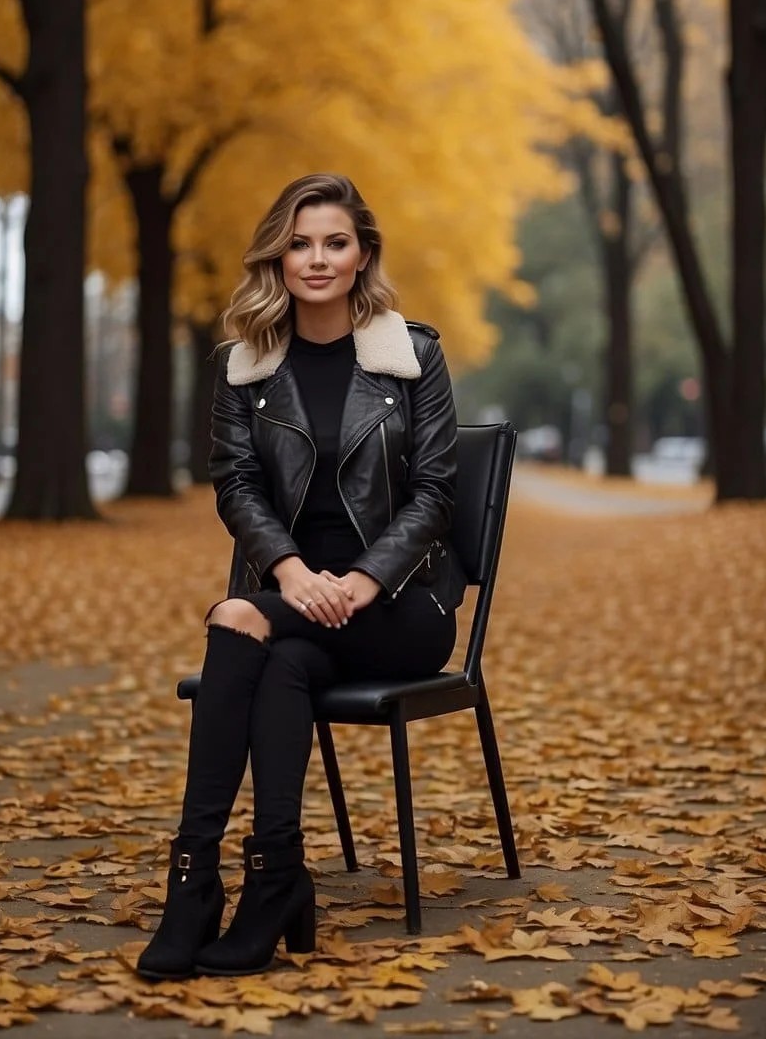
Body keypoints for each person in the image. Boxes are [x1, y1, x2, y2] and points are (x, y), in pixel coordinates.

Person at [137, 173, 466, 981]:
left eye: (335, 242)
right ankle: (274, 873)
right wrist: (287, 572)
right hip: (295, 603)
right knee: (277, 655)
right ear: (278, 257)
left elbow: (436, 493)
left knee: (232, 618)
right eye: (300, 242)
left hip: (400, 607)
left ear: (362, 256)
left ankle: (192, 878)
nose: (316, 259)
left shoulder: (412, 355)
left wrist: (360, 580)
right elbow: (236, 483)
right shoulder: (246, 365)